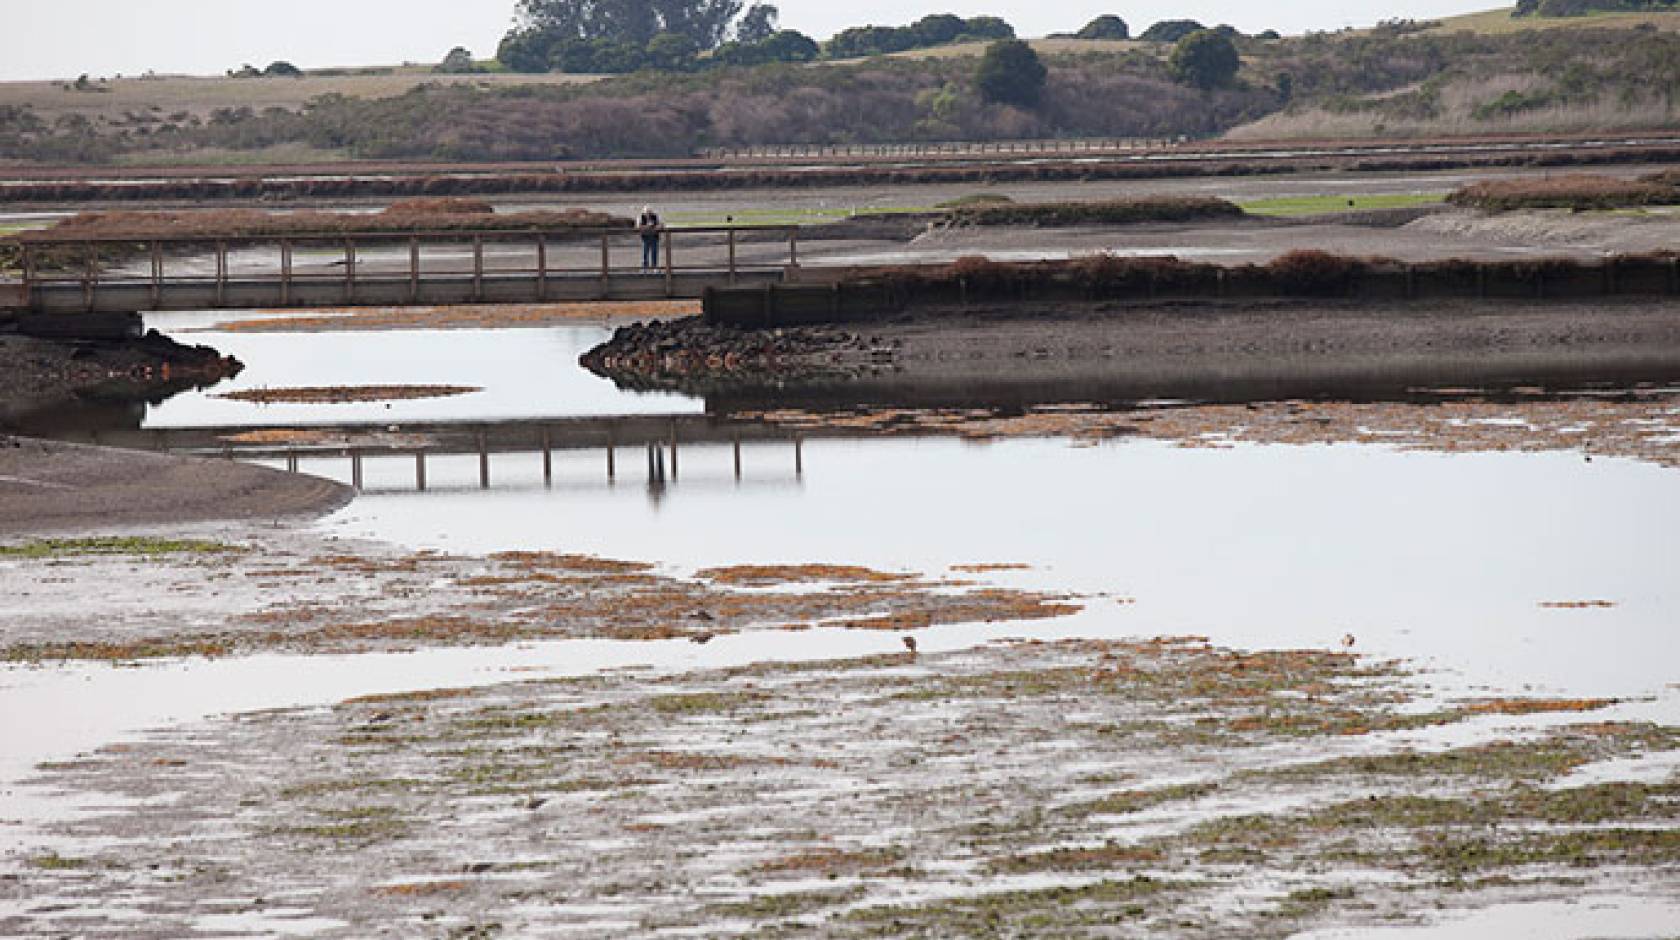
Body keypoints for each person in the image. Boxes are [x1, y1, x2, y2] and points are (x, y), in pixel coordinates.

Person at [637, 206, 662, 270]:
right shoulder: (641, 217)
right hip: (645, 238)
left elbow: (660, 224)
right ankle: (644, 267)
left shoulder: (655, 217)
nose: (648, 214)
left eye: (649, 212)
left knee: (654, 253)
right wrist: (647, 226)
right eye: (647, 212)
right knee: (645, 253)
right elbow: (639, 226)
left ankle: (655, 267)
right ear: (644, 212)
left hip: (654, 237)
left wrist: (657, 227)